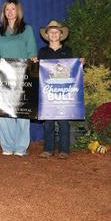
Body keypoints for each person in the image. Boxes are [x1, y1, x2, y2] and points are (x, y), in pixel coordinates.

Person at [0, 0, 37, 156]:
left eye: (13, 9)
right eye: (7, 9)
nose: (10, 12)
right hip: (5, 76)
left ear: (18, 11)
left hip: (23, 75)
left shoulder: (27, 30)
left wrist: (33, 60)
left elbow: (32, 52)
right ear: (3, 12)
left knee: (23, 111)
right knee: (5, 112)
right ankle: (7, 146)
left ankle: (21, 147)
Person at [38, 20, 78, 159]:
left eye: (57, 32)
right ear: (47, 35)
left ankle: (64, 150)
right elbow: (39, 70)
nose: (54, 34)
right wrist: (35, 62)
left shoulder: (68, 51)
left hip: (63, 92)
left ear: (61, 34)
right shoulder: (42, 52)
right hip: (48, 92)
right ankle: (48, 149)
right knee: (48, 122)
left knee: (63, 122)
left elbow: (72, 68)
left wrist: (79, 63)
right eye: (51, 32)